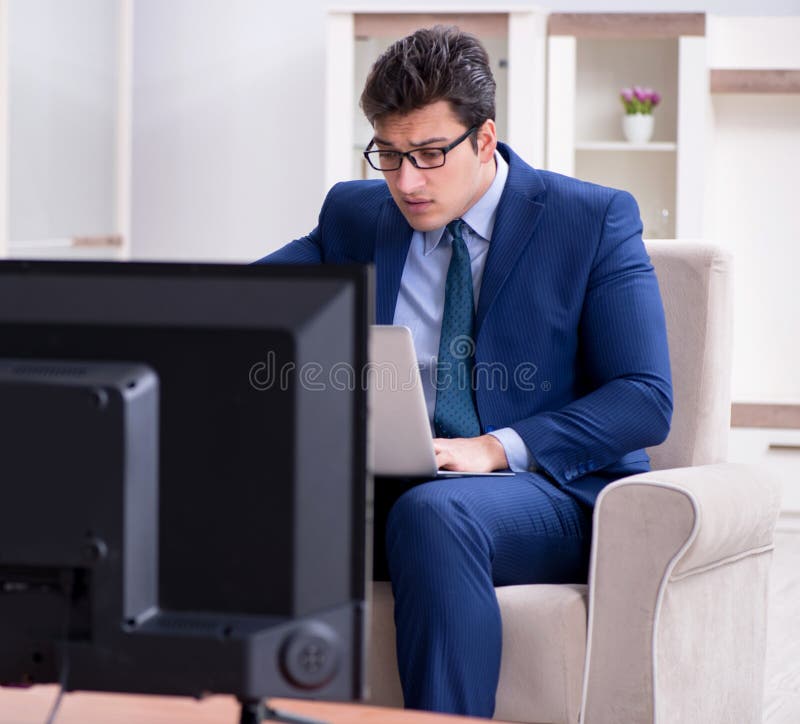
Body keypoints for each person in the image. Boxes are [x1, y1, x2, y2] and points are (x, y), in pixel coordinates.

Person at [259, 25, 672, 718]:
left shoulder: (591, 219)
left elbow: (644, 399)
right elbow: (252, 301)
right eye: (387, 155)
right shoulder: (356, 214)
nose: (406, 181)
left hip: (547, 492)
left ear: (484, 139)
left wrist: (491, 450)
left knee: (434, 513)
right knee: (235, 501)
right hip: (396, 484)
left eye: (427, 154)